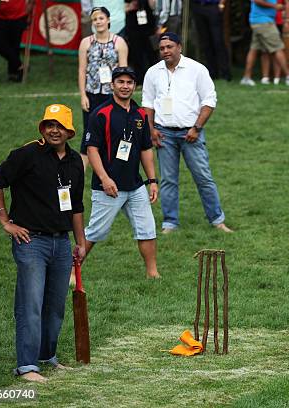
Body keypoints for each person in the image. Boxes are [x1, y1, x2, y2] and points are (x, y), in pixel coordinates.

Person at [0, 104, 86, 383]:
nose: (54, 130)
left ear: (69, 131)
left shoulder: (76, 161)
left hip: (62, 243)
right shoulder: (26, 154)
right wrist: (6, 222)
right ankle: (27, 366)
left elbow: (76, 205)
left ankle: (46, 356)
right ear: (43, 128)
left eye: (60, 126)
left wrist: (80, 242)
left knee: (55, 306)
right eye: (49, 125)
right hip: (31, 242)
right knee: (30, 303)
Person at [142, 32, 232, 233]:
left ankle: (217, 220)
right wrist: (151, 130)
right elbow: (147, 104)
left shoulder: (196, 69)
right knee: (168, 180)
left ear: (179, 47)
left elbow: (209, 100)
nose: (165, 51)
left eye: (169, 47)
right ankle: (170, 223)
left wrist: (197, 128)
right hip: (163, 133)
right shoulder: (152, 72)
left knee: (203, 177)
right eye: (162, 48)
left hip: (191, 133)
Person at [84, 67, 160, 278]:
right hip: (108, 187)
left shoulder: (141, 114)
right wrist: (104, 178)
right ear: (112, 85)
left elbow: (146, 149)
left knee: (147, 229)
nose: (125, 86)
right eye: (121, 82)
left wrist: (152, 180)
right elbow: (91, 150)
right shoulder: (100, 114)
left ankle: (152, 273)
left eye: (129, 82)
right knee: (95, 232)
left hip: (135, 185)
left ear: (134, 86)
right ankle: (73, 270)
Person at [78, 6, 128, 168]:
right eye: (95, 19)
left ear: (108, 20)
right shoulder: (86, 43)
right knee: (89, 132)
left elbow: (123, 73)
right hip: (92, 93)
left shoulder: (119, 42)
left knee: (115, 131)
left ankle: (116, 166)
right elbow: (82, 70)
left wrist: (122, 97)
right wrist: (83, 95)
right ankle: (80, 173)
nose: (98, 22)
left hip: (111, 95)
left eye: (101, 18)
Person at [239, 0, 289, 86]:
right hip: (264, 22)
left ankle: (246, 78)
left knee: (254, 49)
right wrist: (274, 6)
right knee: (278, 48)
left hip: (258, 20)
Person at [191, 0, 231, 81]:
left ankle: (225, 73)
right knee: (205, 42)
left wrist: (221, 4)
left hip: (213, 6)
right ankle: (212, 72)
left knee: (218, 41)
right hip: (198, 6)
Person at [0, 0, 33, 82]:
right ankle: (19, 65)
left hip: (18, 16)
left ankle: (14, 73)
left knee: (14, 45)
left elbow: (31, 1)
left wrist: (28, 13)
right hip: (0, 16)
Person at [124, 0, 157, 84]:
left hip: (147, 22)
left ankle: (154, 77)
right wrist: (128, 6)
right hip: (133, 23)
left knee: (151, 53)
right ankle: (140, 79)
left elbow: (153, 5)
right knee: (136, 53)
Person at [258, 0, 289, 85]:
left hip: (277, 22)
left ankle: (276, 78)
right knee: (265, 51)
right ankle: (265, 78)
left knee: (276, 50)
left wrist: (286, 21)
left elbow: (287, 4)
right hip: (266, 21)